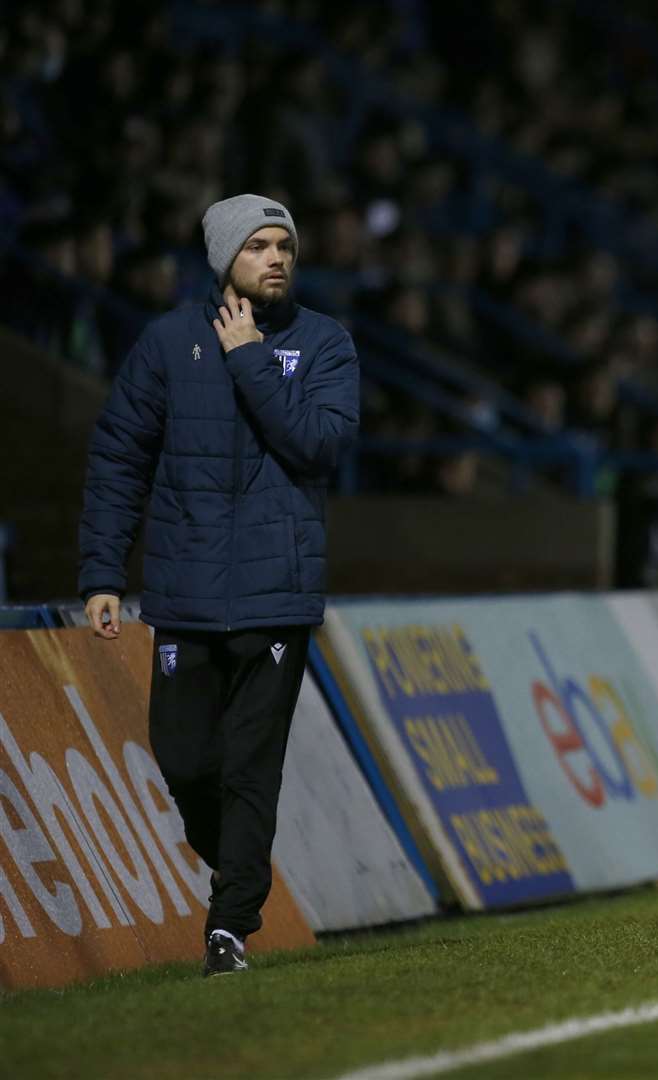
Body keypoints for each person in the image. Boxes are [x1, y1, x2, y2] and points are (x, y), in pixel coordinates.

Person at [79, 193, 360, 975]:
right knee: (186, 762)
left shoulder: (326, 344)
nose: (275, 258)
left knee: (249, 767)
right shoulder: (168, 342)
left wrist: (249, 359)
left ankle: (228, 924)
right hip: (186, 598)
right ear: (222, 259)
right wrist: (102, 572)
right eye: (258, 246)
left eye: (285, 247)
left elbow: (318, 443)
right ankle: (243, 865)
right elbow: (117, 460)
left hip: (276, 599)